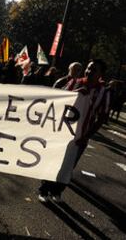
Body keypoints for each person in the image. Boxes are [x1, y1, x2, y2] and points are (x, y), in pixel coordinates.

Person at [38, 59, 110, 202]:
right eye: (88, 68)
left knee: (69, 164)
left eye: (94, 70)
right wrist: (76, 92)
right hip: (63, 131)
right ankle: (44, 190)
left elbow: (101, 117)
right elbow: (59, 98)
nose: (89, 71)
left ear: (101, 74)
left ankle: (57, 191)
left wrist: (87, 136)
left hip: (81, 136)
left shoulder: (103, 92)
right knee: (55, 160)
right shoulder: (74, 82)